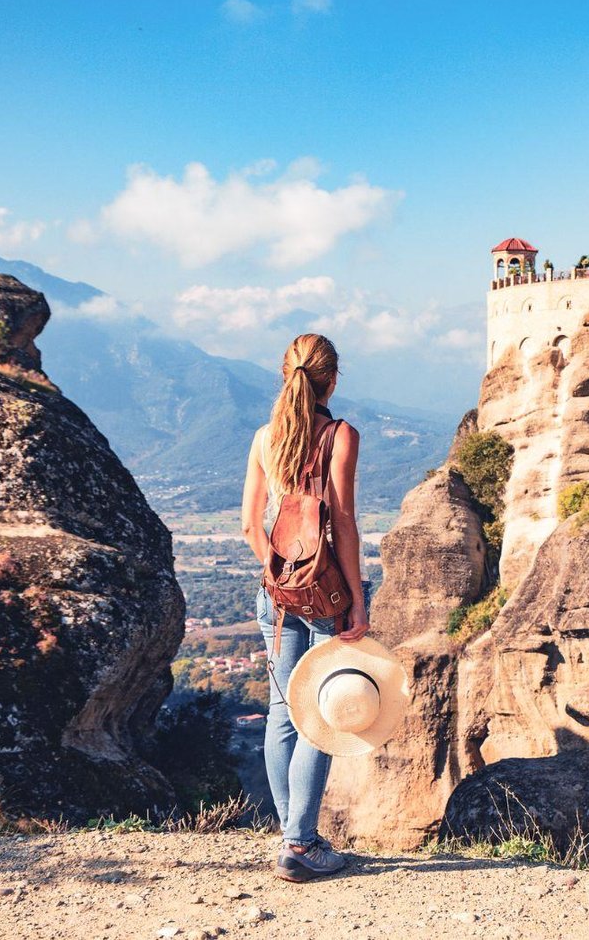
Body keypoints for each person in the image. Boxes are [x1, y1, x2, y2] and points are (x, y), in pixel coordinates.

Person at [242, 333, 370, 882]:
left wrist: (280, 574)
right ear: (332, 379)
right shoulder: (340, 435)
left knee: (281, 714)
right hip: (327, 595)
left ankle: (291, 833)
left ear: (285, 374)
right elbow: (342, 524)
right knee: (320, 715)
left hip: (276, 593)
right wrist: (357, 601)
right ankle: (300, 842)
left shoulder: (265, 438)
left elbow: (251, 524)